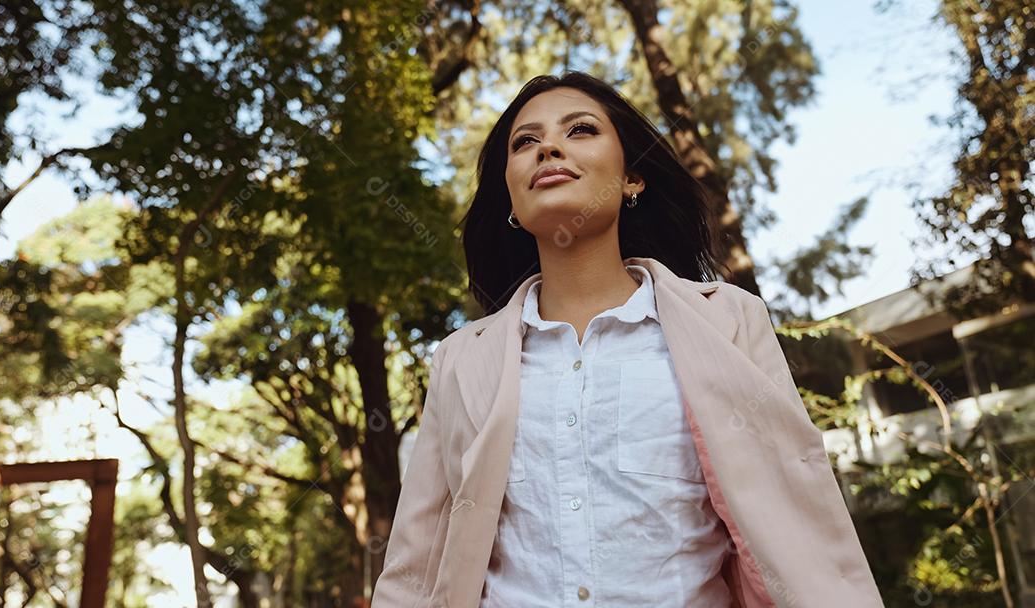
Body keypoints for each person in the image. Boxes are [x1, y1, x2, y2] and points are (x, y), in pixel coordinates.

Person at [372, 71, 882, 608]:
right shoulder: (459, 360)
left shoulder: (729, 322)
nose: (548, 147)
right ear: (510, 200)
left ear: (632, 179)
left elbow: (800, 519)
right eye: (525, 142)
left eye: (581, 130)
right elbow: (417, 557)